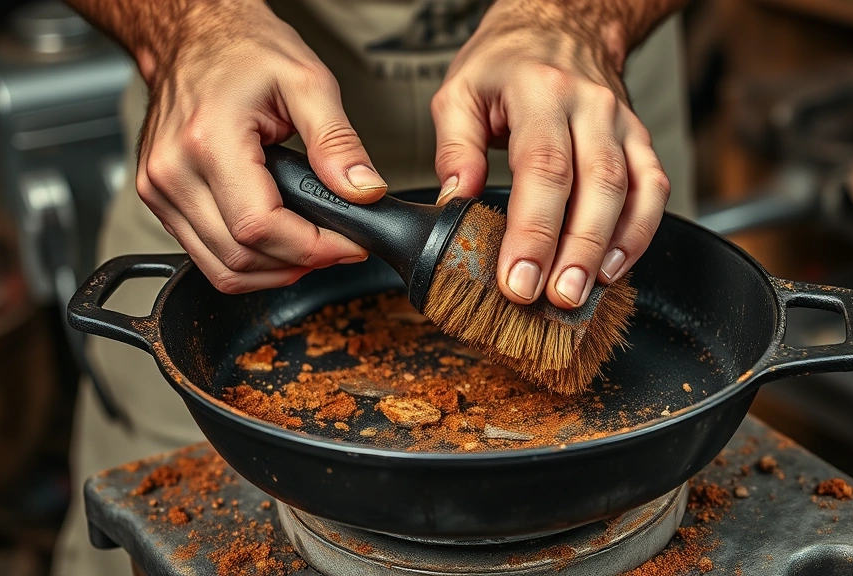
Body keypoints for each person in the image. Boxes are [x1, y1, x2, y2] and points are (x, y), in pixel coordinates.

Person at [52, 1, 693, 574]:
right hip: (223, 152)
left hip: (580, 130)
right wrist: (185, 26)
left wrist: (582, 18)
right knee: (170, 513)